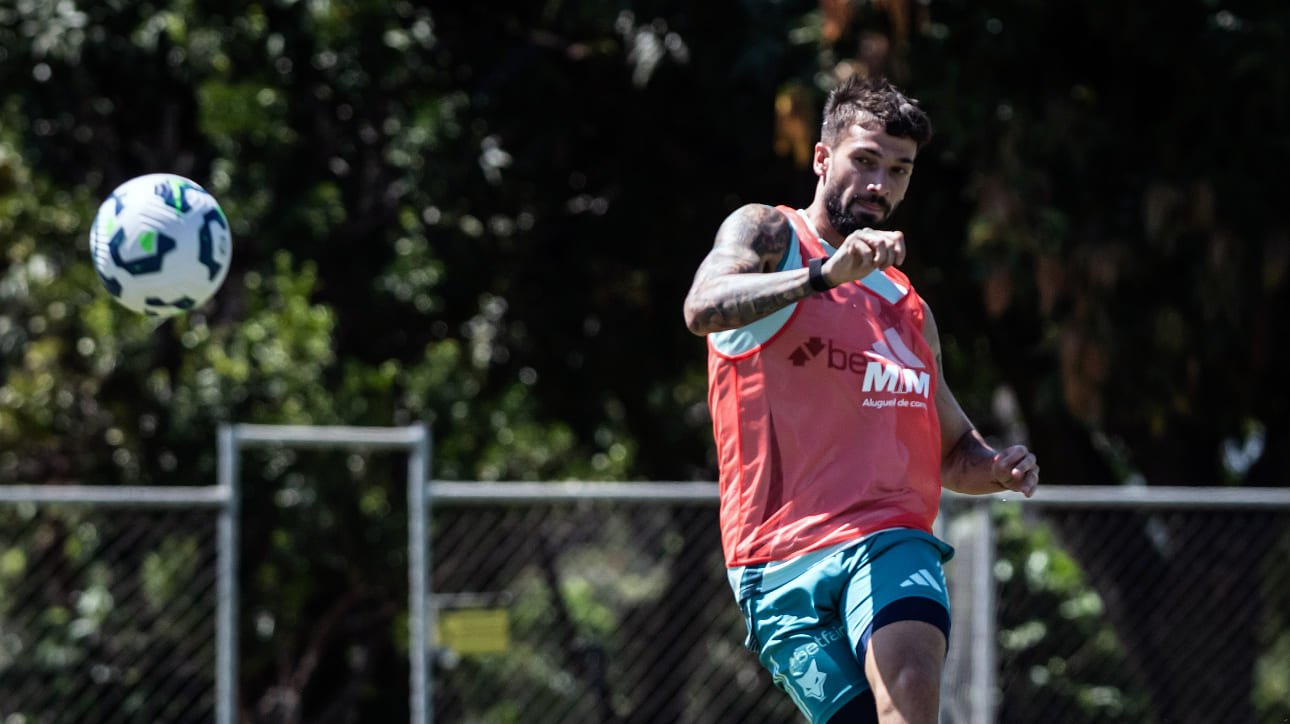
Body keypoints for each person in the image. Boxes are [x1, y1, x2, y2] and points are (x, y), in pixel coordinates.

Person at [682, 76, 1039, 724]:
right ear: (823, 159)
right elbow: (701, 307)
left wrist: (994, 467)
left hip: (888, 537)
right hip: (774, 565)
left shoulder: (909, 308)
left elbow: (951, 446)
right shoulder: (771, 235)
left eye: (899, 170)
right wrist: (822, 276)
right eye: (865, 161)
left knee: (909, 681)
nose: (881, 184)